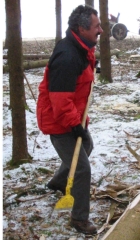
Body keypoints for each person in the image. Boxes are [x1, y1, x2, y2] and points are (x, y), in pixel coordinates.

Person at [36, 5, 103, 235]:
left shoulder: (82, 46)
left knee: (87, 145)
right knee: (82, 169)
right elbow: (60, 101)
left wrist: (92, 68)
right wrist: (75, 125)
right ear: (82, 28)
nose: (101, 30)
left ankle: (58, 181)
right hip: (58, 119)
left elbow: (80, 74)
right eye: (96, 26)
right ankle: (79, 219)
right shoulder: (67, 56)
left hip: (71, 112)